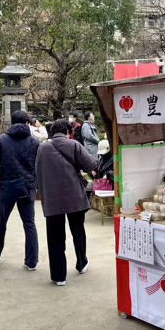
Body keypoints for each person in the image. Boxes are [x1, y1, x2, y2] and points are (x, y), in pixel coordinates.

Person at [36, 119, 97, 286]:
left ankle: (59, 276)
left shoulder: (42, 148)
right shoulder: (74, 145)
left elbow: (38, 172)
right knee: (78, 230)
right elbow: (91, 164)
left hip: (52, 198)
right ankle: (81, 263)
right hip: (74, 196)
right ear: (68, 132)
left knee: (55, 236)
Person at [0, 110, 39, 271]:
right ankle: (31, 261)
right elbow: (38, 166)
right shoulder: (34, 142)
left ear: (11, 122)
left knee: (1, 222)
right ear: (27, 123)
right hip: (28, 187)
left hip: (7, 186)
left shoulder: (1, 140)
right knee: (29, 223)